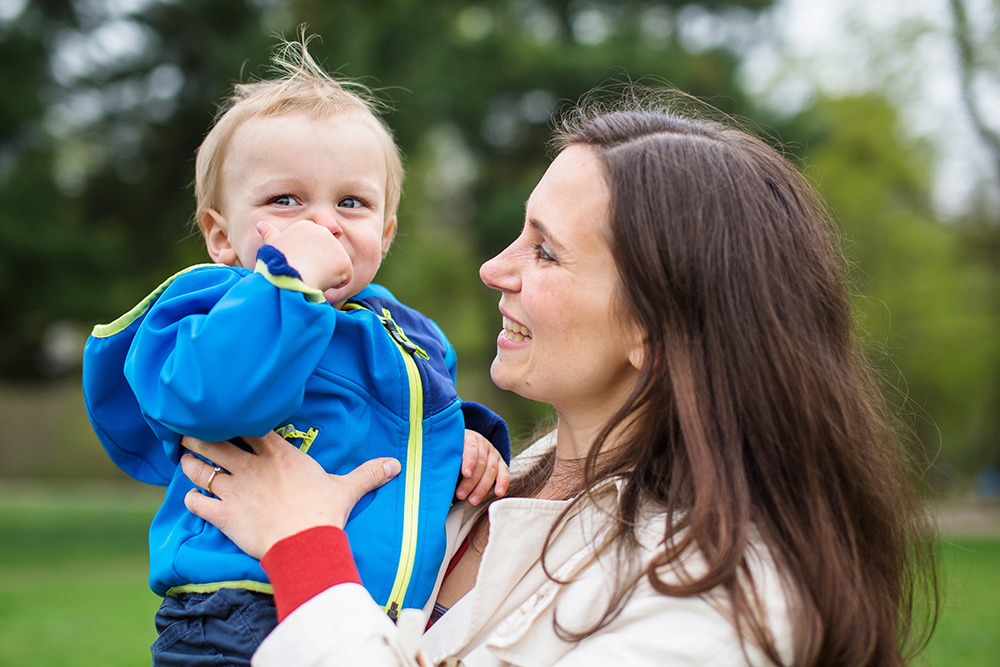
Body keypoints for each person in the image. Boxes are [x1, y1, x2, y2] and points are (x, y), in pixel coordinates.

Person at [181, 92, 939, 666]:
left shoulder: (720, 600)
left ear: (654, 323)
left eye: (544, 252)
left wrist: (303, 546)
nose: (493, 269)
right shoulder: (515, 475)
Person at [81, 37, 509, 666]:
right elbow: (217, 397)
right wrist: (288, 284)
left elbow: (406, 431)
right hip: (234, 608)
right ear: (221, 234)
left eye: (352, 203)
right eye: (286, 201)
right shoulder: (205, 308)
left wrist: (464, 444)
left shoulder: (407, 333)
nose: (324, 223)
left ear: (384, 234)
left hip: (364, 612)